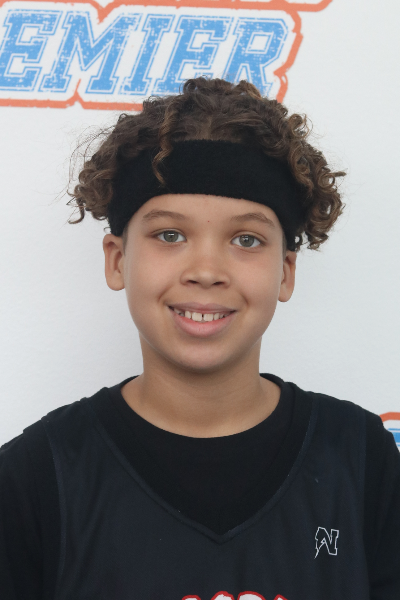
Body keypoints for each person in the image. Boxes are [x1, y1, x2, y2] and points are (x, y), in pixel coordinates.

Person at [1, 77, 399, 600]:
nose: (207, 271)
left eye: (246, 239)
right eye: (170, 235)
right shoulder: (35, 476)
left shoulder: (360, 459)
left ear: (285, 273)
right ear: (118, 260)